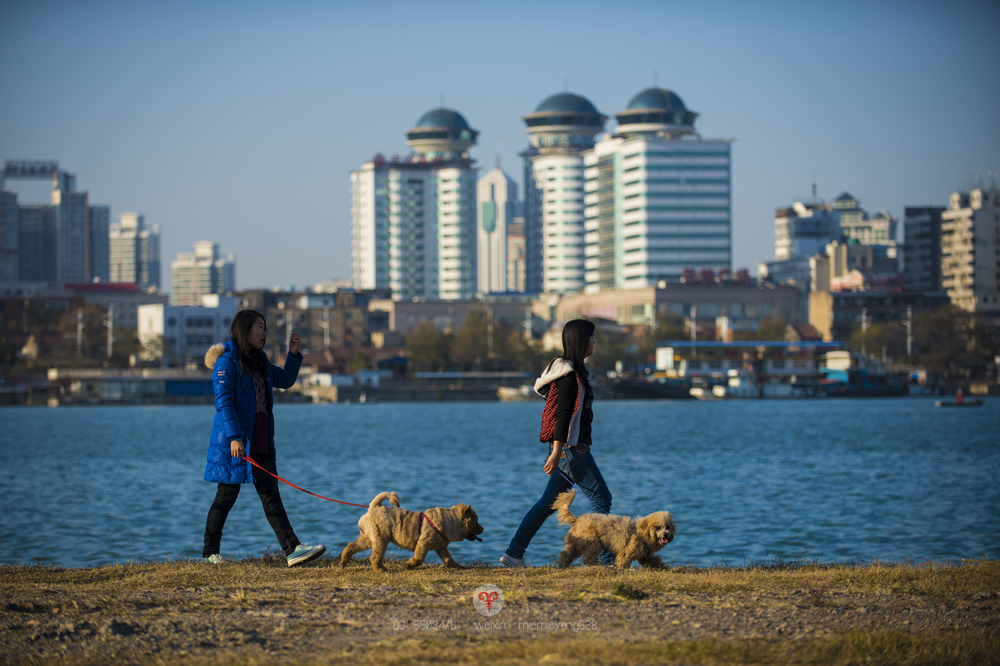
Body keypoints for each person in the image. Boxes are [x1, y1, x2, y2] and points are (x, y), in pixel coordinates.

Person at [201, 309, 326, 567]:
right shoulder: (227, 362)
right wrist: (235, 437)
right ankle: (209, 553)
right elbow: (223, 403)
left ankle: (292, 550)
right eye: (260, 326)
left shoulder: (261, 363)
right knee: (225, 497)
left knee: (271, 496)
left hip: (261, 442)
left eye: (265, 327)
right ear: (244, 330)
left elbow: (286, 379)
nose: (264, 332)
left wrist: (293, 355)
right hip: (234, 444)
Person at [500, 319, 613, 567]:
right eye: (592, 337)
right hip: (572, 451)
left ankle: (513, 553)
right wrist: (557, 451)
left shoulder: (572, 372)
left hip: (566, 450)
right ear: (581, 341)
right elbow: (563, 415)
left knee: (548, 503)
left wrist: (556, 451)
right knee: (602, 499)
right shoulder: (568, 375)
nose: (595, 342)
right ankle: (604, 561)